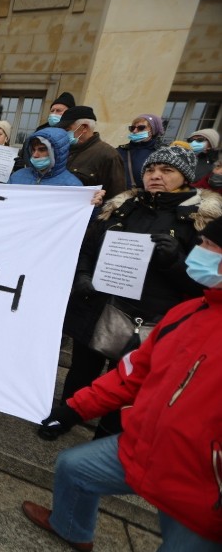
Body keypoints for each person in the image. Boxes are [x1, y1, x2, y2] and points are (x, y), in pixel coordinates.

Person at [25, 217, 222, 551]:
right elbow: (133, 373)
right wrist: (73, 409)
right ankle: (70, 527)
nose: (198, 251)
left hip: (203, 488)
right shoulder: (188, 312)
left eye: (208, 246)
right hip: (145, 449)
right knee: (74, 468)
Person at [60, 144, 222, 438]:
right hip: (100, 306)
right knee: (82, 368)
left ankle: (107, 436)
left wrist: (175, 261)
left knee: (126, 378)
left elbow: (205, 286)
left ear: (184, 177)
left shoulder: (200, 220)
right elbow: (88, 247)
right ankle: (64, 417)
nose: (155, 175)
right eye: (150, 169)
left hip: (150, 318)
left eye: (166, 170)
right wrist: (83, 276)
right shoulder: (122, 206)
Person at [55, 105, 125, 199]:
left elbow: (117, 197)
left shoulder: (108, 155)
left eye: (67, 129)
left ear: (84, 128)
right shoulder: (61, 150)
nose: (63, 133)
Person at [13, 92, 76, 172]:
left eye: (58, 111)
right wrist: (22, 163)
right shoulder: (39, 131)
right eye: (52, 111)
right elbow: (26, 153)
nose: (54, 114)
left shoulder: (73, 135)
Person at [8, 128, 82, 187]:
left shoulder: (72, 186)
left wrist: (93, 204)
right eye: (33, 150)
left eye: (42, 149)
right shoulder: (16, 177)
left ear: (56, 152)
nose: (34, 155)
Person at [116, 113, 165, 190]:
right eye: (132, 128)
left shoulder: (161, 153)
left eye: (141, 128)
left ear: (152, 130)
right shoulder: (120, 150)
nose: (135, 131)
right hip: (116, 198)